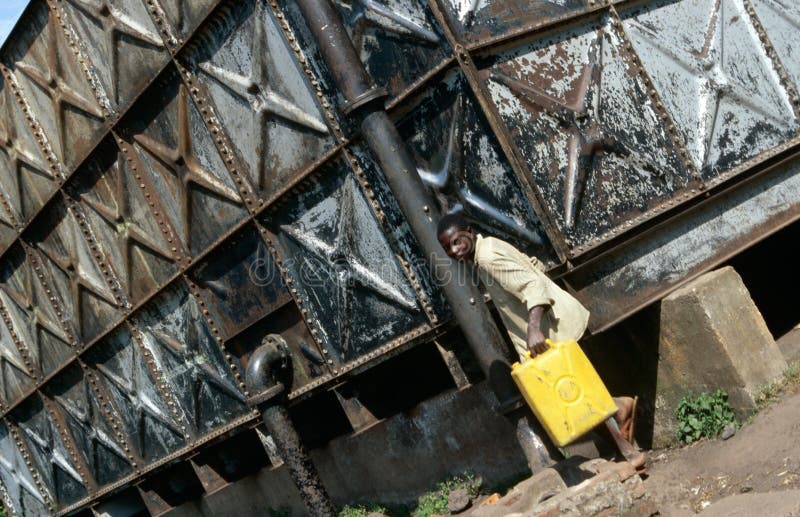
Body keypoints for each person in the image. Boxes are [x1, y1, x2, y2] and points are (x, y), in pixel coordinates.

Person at [436, 212, 644, 467]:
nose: (454, 251)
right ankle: (619, 413)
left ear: (469, 231)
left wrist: (534, 329)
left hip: (548, 336)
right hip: (548, 336)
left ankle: (629, 453)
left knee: (576, 397)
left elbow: (532, 285)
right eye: (447, 248)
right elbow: (532, 264)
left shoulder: (488, 257)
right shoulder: (487, 249)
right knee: (573, 397)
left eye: (457, 241)